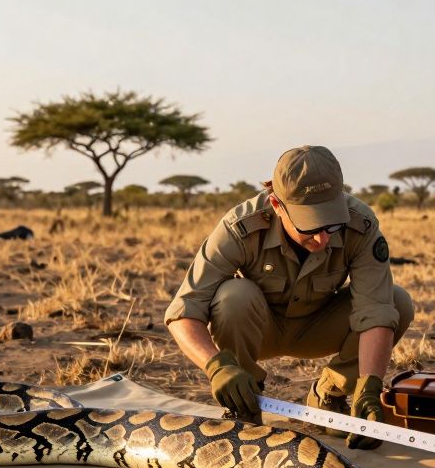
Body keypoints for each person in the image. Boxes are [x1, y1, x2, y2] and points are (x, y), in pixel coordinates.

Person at [165, 145, 414, 450]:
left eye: (331, 224)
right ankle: (244, 402)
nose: (323, 238)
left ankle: (330, 394)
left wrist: (370, 386)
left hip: (319, 326)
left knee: (397, 302)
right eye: (310, 225)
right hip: (258, 328)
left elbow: (375, 310)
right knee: (233, 296)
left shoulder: (360, 224)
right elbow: (183, 312)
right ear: (277, 205)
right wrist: (217, 367)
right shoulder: (240, 226)